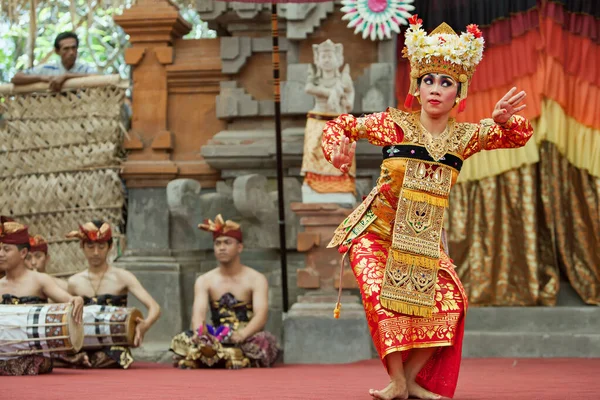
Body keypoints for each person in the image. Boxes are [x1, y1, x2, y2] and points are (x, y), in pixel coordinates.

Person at [323, 17, 533, 400]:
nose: (436, 89)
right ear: (417, 88)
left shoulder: (464, 137)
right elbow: (338, 126)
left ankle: (412, 382)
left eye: (446, 82)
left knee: (453, 303)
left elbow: (519, 134)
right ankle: (398, 384)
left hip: (422, 241)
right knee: (380, 299)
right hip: (375, 231)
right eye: (428, 80)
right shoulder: (393, 125)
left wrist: (504, 120)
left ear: (459, 92)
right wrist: (336, 147)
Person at [170, 214, 280, 369]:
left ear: (239, 247)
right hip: (215, 335)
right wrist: (200, 335)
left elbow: (261, 316)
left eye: (227, 243)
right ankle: (220, 356)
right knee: (181, 340)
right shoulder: (204, 280)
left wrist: (241, 335)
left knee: (264, 341)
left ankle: (217, 358)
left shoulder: (256, 279)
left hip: (245, 336)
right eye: (217, 243)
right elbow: (198, 315)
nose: (222, 247)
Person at [58, 220, 160, 369]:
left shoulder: (123, 277)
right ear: (82, 246)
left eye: (101, 246)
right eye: (90, 246)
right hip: (83, 343)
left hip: (113, 345)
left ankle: (87, 361)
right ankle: (83, 359)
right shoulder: (74, 282)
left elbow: (155, 307)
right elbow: (66, 317)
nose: (96, 253)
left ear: (110, 247)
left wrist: (145, 325)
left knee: (117, 355)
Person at [0, 216, 84, 376]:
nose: (1, 254)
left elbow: (69, 299)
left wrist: (76, 300)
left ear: (23, 252)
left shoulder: (40, 280)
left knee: (35, 361)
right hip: (5, 351)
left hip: (34, 353)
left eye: (6, 249)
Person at [11, 31, 97, 91]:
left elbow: (95, 77)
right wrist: (43, 78)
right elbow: (16, 78)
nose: (71, 52)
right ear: (57, 51)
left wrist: (66, 76)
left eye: (73, 48)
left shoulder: (84, 69)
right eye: (66, 49)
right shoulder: (47, 68)